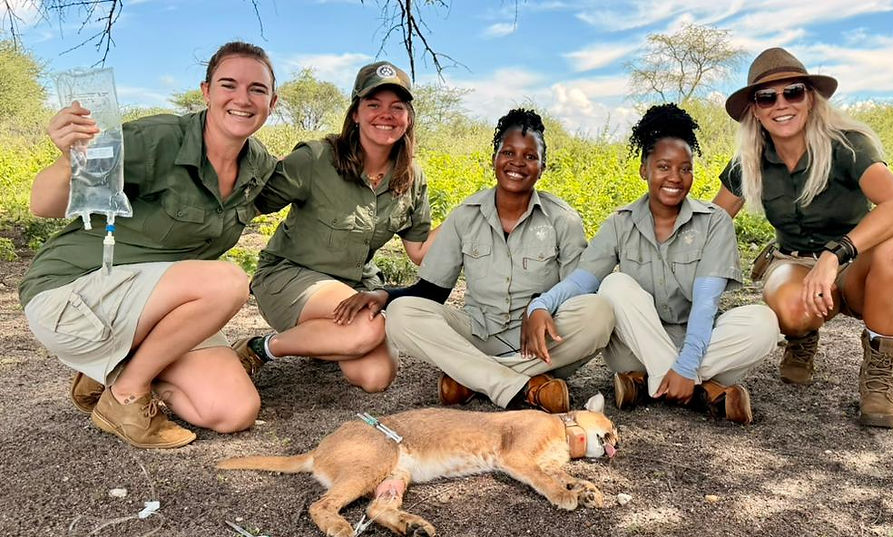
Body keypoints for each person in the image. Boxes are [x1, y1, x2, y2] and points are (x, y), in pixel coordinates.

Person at [21, 41, 284, 449]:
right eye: (228, 85)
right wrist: (67, 156)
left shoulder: (259, 166)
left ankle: (108, 371)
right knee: (229, 281)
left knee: (233, 412)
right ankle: (126, 393)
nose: (242, 99)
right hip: (73, 297)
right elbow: (44, 205)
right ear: (206, 91)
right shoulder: (157, 139)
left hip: (155, 305)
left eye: (258, 89)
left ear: (273, 100)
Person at [335, 108, 615, 413]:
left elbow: (577, 290)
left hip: (538, 344)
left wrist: (540, 305)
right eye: (508, 152)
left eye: (530, 157)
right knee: (402, 313)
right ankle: (520, 384)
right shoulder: (466, 216)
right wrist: (384, 295)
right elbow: (432, 292)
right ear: (493, 159)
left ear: (542, 167)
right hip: (477, 335)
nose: (518, 162)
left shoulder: (563, 219)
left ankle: (473, 378)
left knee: (599, 312)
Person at [525, 104, 779, 424]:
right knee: (614, 284)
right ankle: (703, 387)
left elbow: (705, 304)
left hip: (697, 340)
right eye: (663, 166)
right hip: (634, 346)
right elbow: (582, 281)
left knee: (764, 322)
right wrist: (541, 305)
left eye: (685, 168)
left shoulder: (715, 222)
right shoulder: (620, 222)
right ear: (644, 170)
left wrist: (686, 363)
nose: (675, 177)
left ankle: (652, 383)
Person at [713, 47, 893, 428]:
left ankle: (879, 373)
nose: (781, 104)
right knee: (790, 312)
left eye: (793, 92)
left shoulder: (848, 144)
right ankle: (801, 336)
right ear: (755, 110)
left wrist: (834, 255)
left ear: (810, 98)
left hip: (853, 264)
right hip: (793, 263)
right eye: (767, 97)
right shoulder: (750, 160)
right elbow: (714, 219)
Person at [234, 61, 431, 393]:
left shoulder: (411, 176)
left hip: (352, 286)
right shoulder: (316, 158)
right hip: (291, 276)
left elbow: (420, 251)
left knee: (376, 377)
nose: (386, 114)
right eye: (374, 105)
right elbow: (253, 202)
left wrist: (471, 218)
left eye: (397, 107)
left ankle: (319, 337)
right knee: (368, 327)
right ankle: (259, 349)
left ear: (408, 118)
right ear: (355, 113)